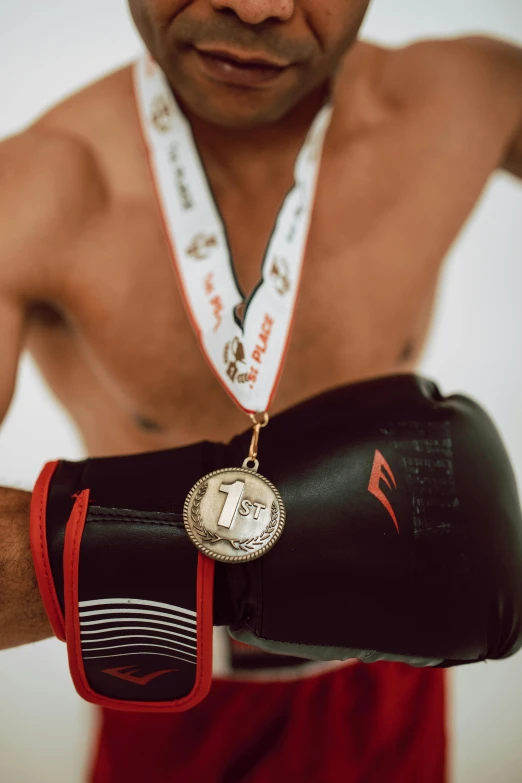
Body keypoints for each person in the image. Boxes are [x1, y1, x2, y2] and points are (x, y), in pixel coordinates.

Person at [1, 1, 522, 780]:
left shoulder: (471, 99)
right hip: (168, 675)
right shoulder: (31, 194)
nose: (256, 4)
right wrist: (194, 550)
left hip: (391, 680)